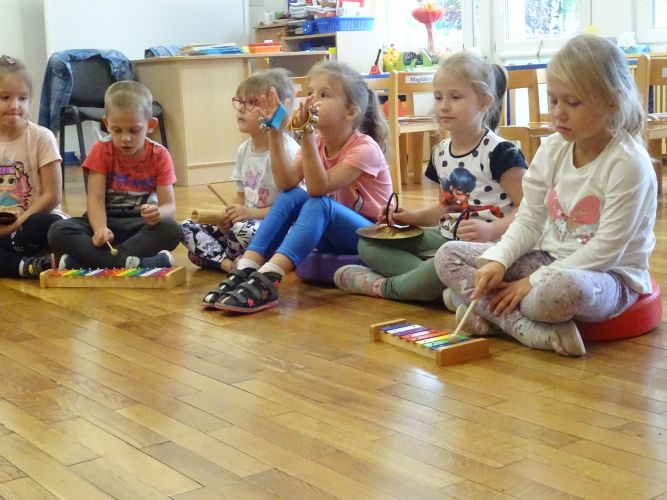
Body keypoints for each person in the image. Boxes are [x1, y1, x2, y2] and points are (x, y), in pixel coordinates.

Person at [434, 34, 656, 357]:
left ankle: (483, 311)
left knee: (556, 291)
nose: (558, 114)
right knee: (448, 256)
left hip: (607, 277)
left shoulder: (628, 163)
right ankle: (527, 329)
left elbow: (607, 250)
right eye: (553, 101)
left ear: (613, 102)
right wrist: (499, 260)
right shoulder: (552, 148)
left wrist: (533, 282)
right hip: (548, 260)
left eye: (572, 103)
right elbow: (529, 219)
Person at [333, 51, 526, 303]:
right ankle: (442, 286)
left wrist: (492, 229)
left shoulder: (502, 153)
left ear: (484, 103)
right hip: (446, 240)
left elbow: (529, 209)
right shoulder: (440, 152)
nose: (444, 105)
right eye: (438, 97)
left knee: (446, 257)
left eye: (455, 97)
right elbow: (446, 208)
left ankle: (384, 286)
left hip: (490, 248)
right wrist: (409, 217)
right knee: (369, 243)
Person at [202, 60, 393, 313]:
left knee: (319, 203)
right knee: (293, 195)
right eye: (310, 92)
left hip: (372, 237)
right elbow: (286, 183)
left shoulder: (364, 148)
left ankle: (269, 277)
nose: (312, 100)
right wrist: (275, 132)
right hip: (335, 234)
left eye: (324, 95)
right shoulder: (316, 141)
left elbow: (318, 188)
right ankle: (246, 267)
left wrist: (305, 137)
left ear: (350, 112)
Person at [48, 81, 181, 269]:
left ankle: (89, 261)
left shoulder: (160, 155)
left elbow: (169, 207)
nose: (125, 138)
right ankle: (138, 262)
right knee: (57, 230)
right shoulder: (101, 150)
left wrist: (159, 213)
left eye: (134, 130)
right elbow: (95, 199)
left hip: (139, 225)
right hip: (104, 220)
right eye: (117, 130)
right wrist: (100, 229)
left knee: (171, 229)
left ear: (151, 125)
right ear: (106, 124)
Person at [181, 69, 300, 272]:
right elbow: (241, 196)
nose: (241, 109)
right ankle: (230, 264)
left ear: (277, 109)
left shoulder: (289, 151)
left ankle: (219, 257)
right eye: (240, 101)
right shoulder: (243, 150)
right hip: (245, 224)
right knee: (186, 226)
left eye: (251, 102)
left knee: (241, 230)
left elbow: (294, 210)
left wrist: (251, 213)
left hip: (275, 228)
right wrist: (228, 216)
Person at [0, 55, 66, 278]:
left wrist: (15, 224)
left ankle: (12, 260)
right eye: (5, 97)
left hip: (31, 222)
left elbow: (52, 196)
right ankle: (27, 266)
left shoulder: (41, 137)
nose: (14, 106)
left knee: (50, 225)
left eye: (23, 98)